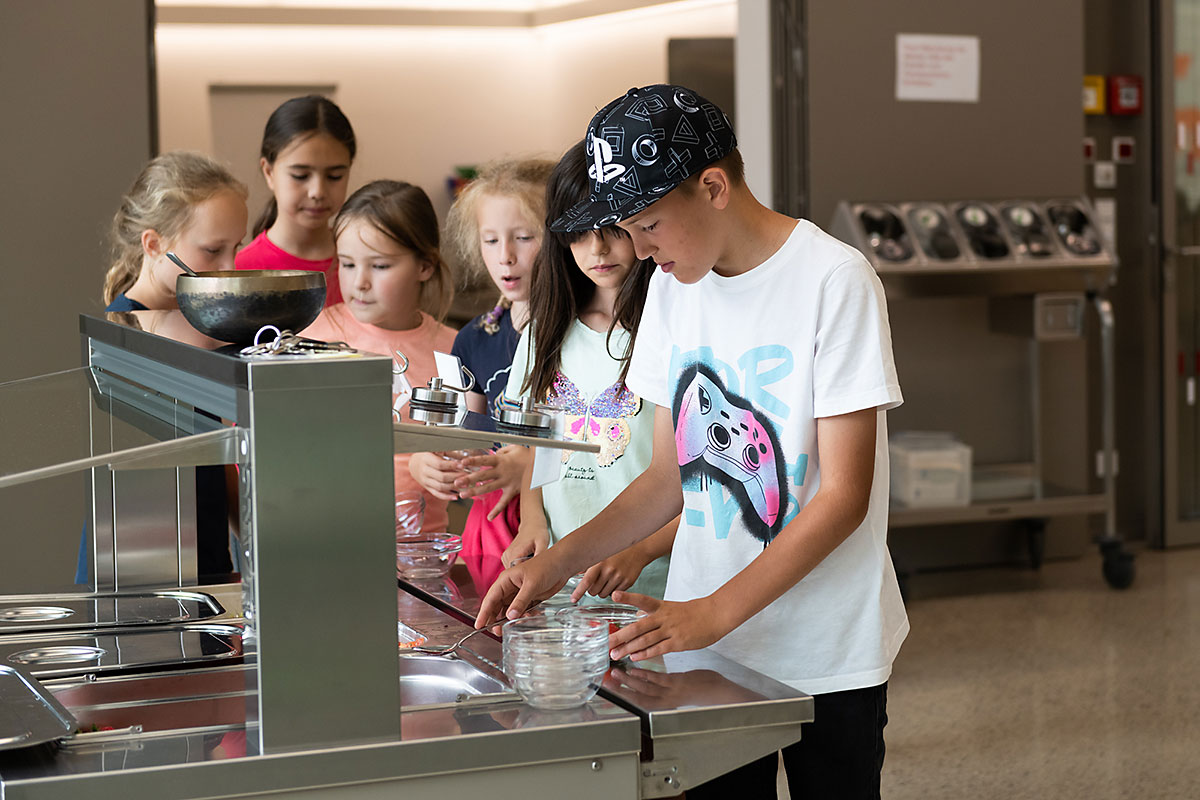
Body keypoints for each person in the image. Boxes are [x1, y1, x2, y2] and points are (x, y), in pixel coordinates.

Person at [476, 85, 907, 799]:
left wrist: (713, 611)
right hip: (703, 643)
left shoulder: (835, 280)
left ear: (713, 187)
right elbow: (668, 477)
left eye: (647, 225)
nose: (637, 250)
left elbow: (844, 498)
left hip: (825, 645)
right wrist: (554, 562)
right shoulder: (678, 287)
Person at [500, 140, 674, 600]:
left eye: (612, 227)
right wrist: (533, 522)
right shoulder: (543, 334)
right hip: (558, 578)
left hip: (654, 584)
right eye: (579, 231)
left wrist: (640, 551)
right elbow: (540, 450)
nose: (597, 247)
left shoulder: (673, 330)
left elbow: (689, 480)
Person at [94, 150, 249, 582]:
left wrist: (247, 547)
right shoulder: (121, 331)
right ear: (154, 243)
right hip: (137, 562)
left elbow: (220, 452)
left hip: (207, 556)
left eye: (236, 247)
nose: (230, 268)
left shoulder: (204, 323)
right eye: (213, 250)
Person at [408, 158, 554, 565]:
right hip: (491, 528)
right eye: (490, 240)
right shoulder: (473, 338)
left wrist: (527, 464)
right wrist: (431, 463)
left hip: (559, 525)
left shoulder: (580, 335)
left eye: (524, 237)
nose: (505, 256)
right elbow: (462, 437)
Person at [302, 180, 456, 533]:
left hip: (419, 552)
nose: (359, 283)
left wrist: (443, 465)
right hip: (325, 539)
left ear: (425, 266)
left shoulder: (453, 351)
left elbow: (471, 456)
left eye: (380, 266)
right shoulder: (311, 341)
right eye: (348, 264)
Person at [235, 95, 356, 307]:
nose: (317, 192)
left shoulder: (364, 263)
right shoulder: (241, 270)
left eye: (334, 176)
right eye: (300, 176)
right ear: (269, 172)